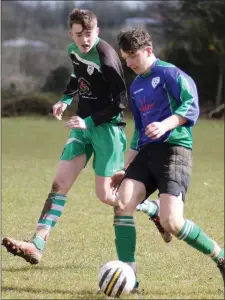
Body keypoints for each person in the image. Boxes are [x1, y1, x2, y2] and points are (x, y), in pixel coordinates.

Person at [2, 8, 129, 265]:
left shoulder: (105, 55)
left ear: (98, 31)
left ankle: (155, 210)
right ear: (71, 33)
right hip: (81, 127)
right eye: (79, 34)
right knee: (59, 183)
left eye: (89, 34)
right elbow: (77, 77)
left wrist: (89, 121)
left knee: (106, 196)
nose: (84, 40)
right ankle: (37, 243)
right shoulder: (74, 50)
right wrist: (65, 99)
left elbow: (121, 101)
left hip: (107, 129)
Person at [110, 28, 225, 288]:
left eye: (132, 57)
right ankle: (131, 282)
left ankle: (221, 258)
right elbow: (139, 131)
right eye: (125, 58)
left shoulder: (171, 74)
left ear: (148, 51)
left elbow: (190, 106)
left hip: (175, 150)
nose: (129, 63)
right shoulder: (137, 86)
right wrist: (124, 168)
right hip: (147, 153)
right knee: (122, 204)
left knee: (171, 223)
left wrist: (165, 125)